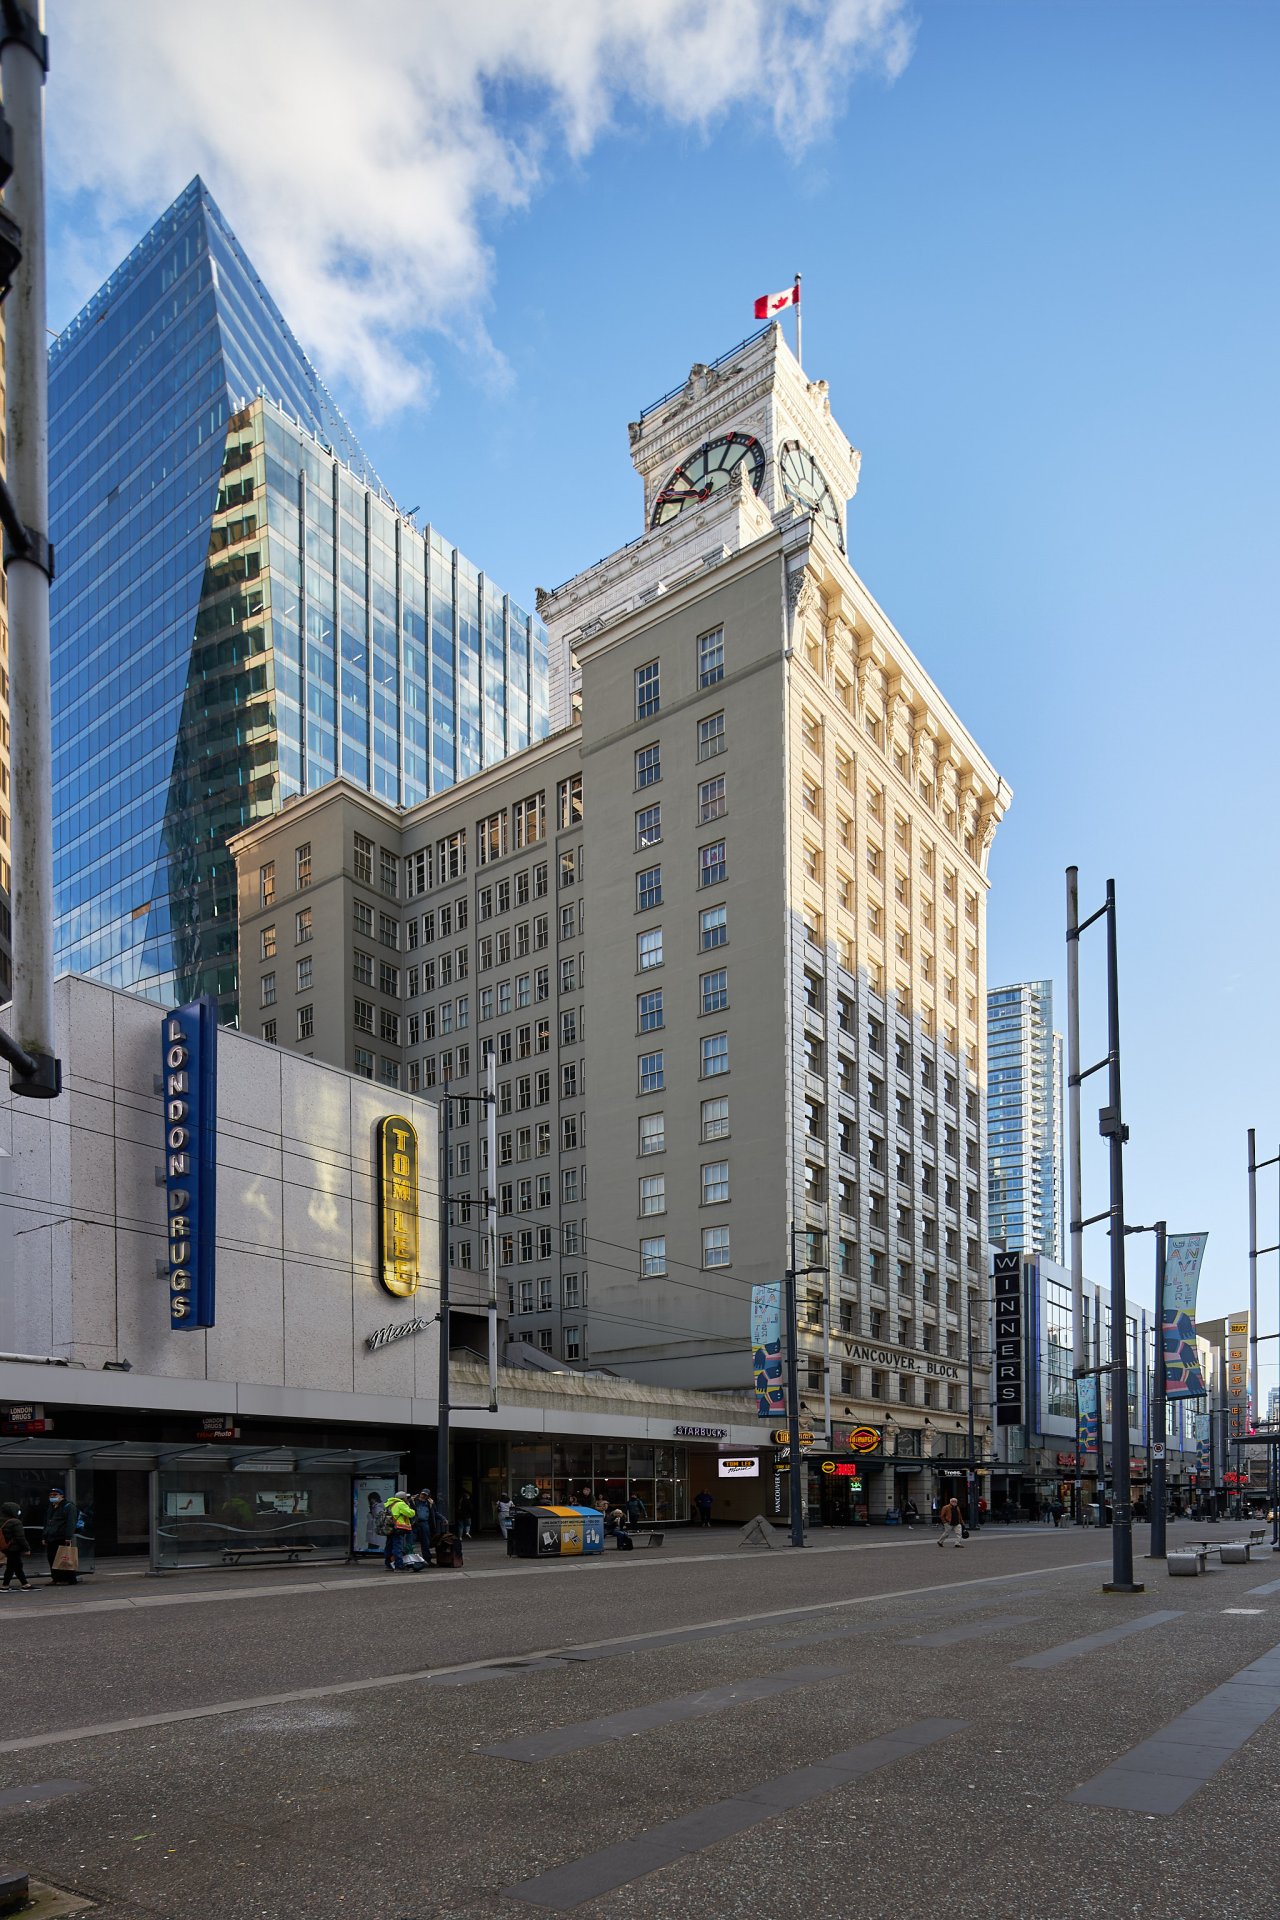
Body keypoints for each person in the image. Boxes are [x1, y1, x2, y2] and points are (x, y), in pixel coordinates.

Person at [384, 1490, 418, 1570]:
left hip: (390, 1528)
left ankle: (388, 1563)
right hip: (398, 1528)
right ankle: (399, 1565)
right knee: (397, 1546)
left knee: (389, 1546)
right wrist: (410, 1507)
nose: (407, 1498)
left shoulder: (389, 1504)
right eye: (406, 1497)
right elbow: (411, 1513)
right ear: (403, 1498)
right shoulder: (401, 1504)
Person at [1, 1502, 31, 1591]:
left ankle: (25, 1584)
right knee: (13, 1566)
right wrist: (27, 1548)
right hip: (13, 1548)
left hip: (4, 1547)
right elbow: (20, 1537)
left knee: (16, 1565)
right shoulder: (15, 1522)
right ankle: (5, 1585)